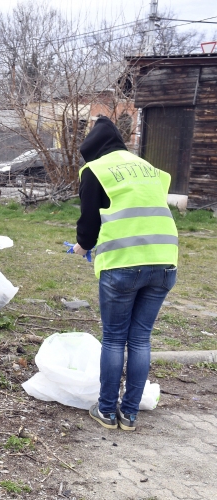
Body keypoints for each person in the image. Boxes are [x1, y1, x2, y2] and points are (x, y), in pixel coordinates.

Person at [73, 116, 178, 431]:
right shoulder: (151, 170)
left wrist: (81, 247)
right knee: (141, 338)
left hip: (123, 265)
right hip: (164, 260)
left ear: (93, 151)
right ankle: (129, 414)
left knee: (115, 338)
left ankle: (106, 411)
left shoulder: (96, 171)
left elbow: (89, 224)